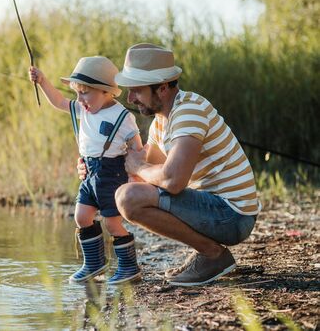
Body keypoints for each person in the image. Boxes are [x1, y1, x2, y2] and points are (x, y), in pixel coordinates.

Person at [78, 43, 260, 286]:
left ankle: (213, 255)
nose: (130, 98)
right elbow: (143, 176)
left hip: (233, 215)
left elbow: (172, 181)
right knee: (128, 194)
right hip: (215, 208)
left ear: (162, 88)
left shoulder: (189, 111)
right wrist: (94, 168)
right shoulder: (160, 123)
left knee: (128, 198)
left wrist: (138, 168)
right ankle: (209, 253)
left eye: (137, 91)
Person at [29, 56, 143, 284]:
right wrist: (42, 81)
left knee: (112, 222)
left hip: (113, 174)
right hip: (89, 173)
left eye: (84, 92)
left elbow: (137, 148)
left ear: (105, 92)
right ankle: (94, 263)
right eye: (77, 92)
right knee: (82, 216)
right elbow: (60, 102)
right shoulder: (84, 109)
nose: (79, 99)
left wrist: (134, 176)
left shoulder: (122, 116)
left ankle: (129, 267)